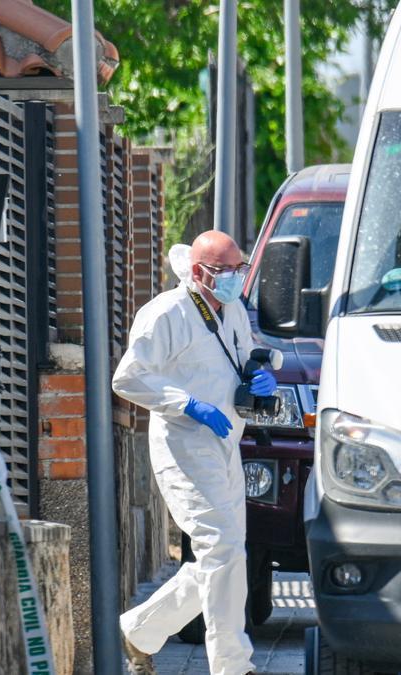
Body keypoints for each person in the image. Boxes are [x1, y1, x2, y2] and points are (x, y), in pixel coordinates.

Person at [112, 230, 280, 675]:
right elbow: (127, 378)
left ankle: (139, 631)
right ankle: (233, 666)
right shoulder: (165, 313)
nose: (236, 279)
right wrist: (186, 403)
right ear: (201, 270)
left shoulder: (234, 309)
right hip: (183, 443)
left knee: (225, 554)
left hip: (226, 443)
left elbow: (246, 357)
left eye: (240, 270)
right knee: (221, 548)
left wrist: (261, 374)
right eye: (226, 271)